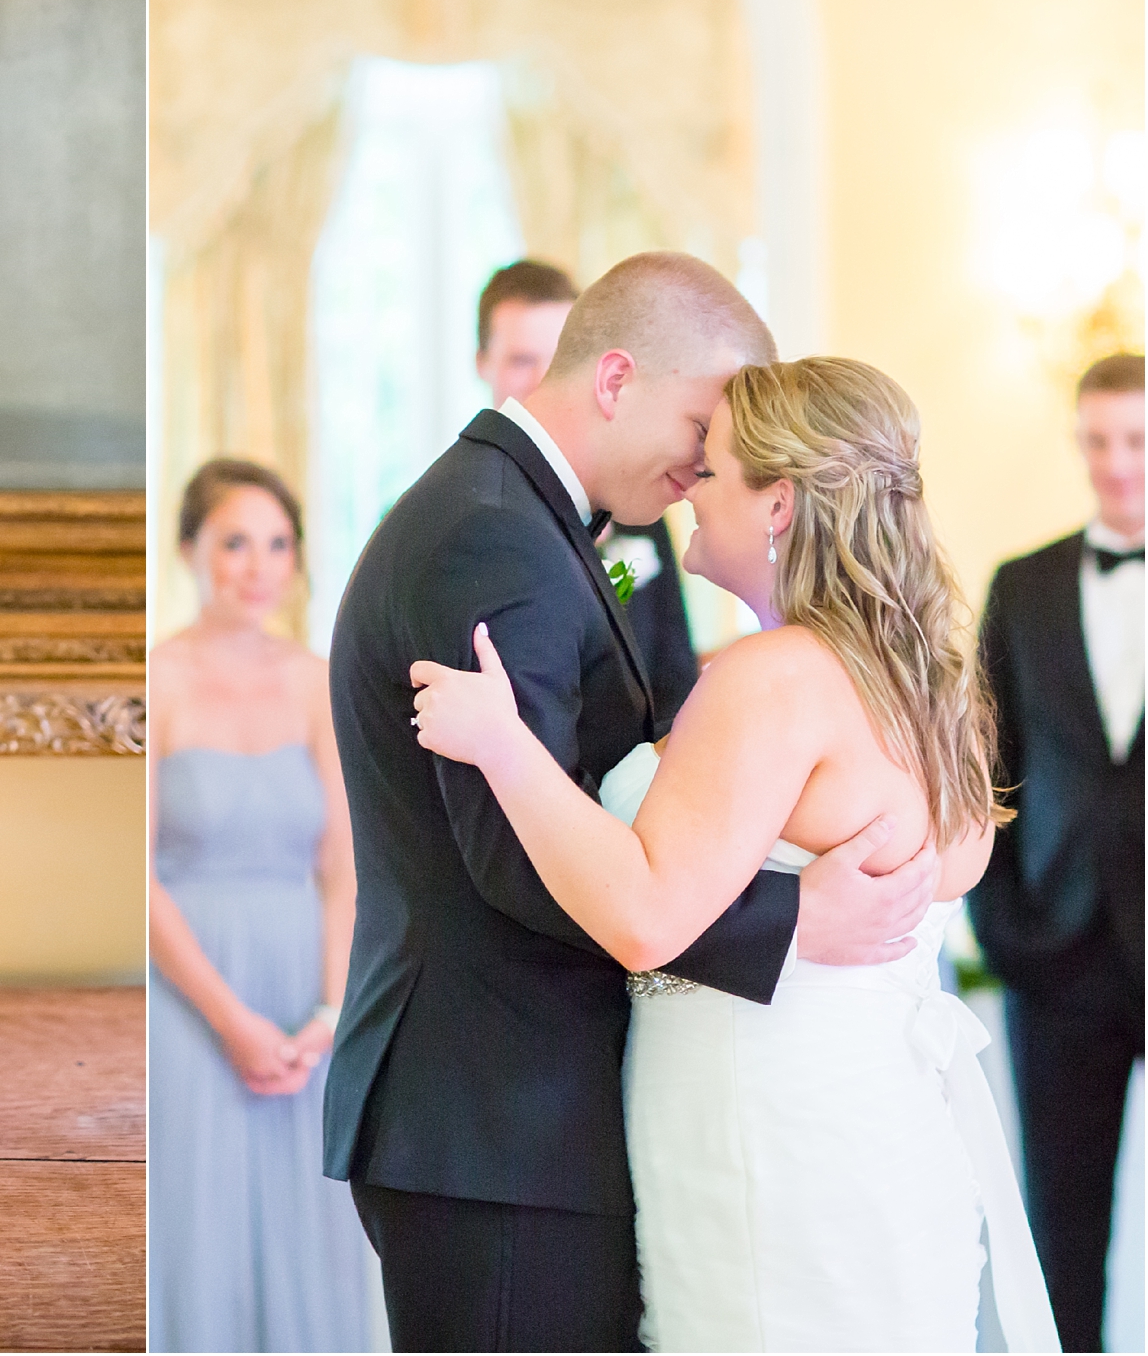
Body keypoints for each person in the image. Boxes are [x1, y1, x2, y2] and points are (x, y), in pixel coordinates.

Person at [322, 250, 947, 1352]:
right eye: (703, 423)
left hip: (520, 1119)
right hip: (495, 1116)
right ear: (615, 380)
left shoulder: (522, 518)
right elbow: (510, 857)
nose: (709, 458)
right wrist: (794, 919)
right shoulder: (493, 536)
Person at [411, 354, 1057, 1351]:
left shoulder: (771, 680)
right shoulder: (927, 680)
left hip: (768, 1141)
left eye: (708, 471)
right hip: (876, 1123)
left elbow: (643, 917)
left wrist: (501, 741)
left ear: (779, 505)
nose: (685, 488)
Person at [148, 458, 369, 1353]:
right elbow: (137, 876)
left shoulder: (321, 680)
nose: (257, 565)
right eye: (235, 541)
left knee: (308, 1228)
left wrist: (329, 1010)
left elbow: (344, 869)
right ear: (190, 549)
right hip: (192, 992)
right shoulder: (156, 679)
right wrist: (233, 1020)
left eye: (278, 544)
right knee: (198, 1230)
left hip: (302, 990)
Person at [970, 352, 1145, 1352]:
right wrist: (1000, 929)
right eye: (1096, 440)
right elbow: (987, 765)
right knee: (1059, 1231)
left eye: (1134, 440)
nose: (1115, 464)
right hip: (1056, 954)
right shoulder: (1022, 584)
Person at [478, 259, 700, 720]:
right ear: (482, 364)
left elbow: (675, 673)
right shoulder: (463, 518)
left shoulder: (637, 508)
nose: (544, 381)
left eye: (560, 359)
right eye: (522, 361)